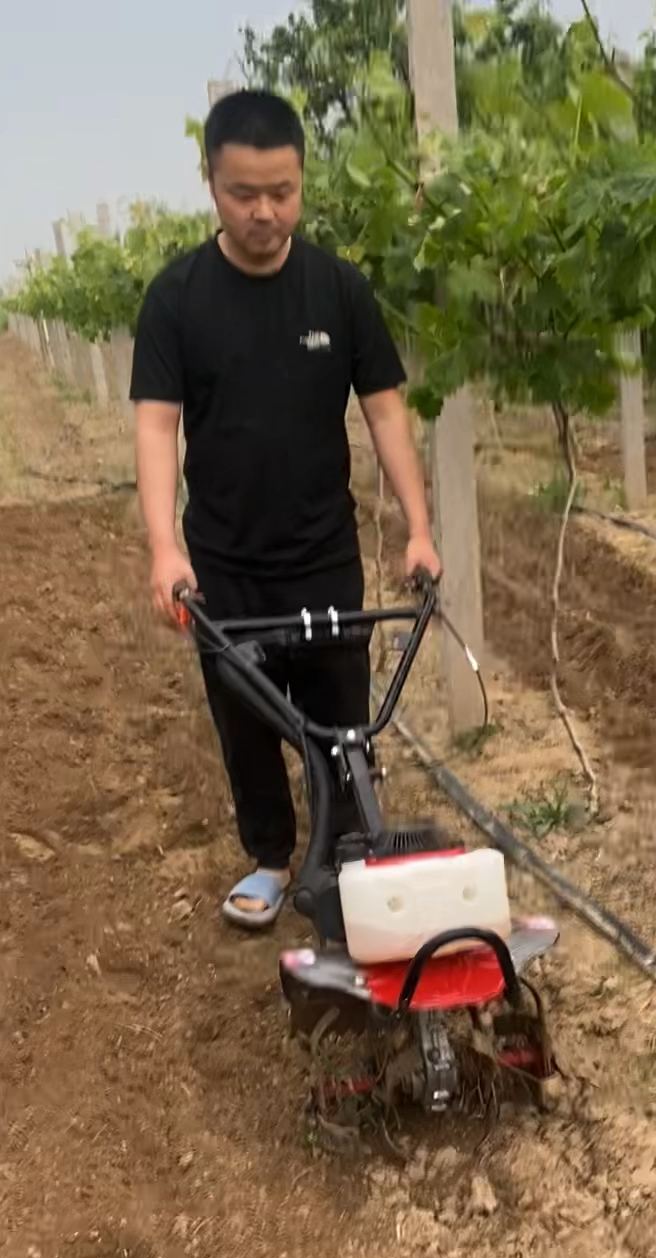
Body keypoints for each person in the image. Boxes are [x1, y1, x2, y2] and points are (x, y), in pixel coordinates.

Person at [130, 88, 440, 928]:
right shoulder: (178, 299)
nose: (265, 211)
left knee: (344, 720)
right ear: (210, 184)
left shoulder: (338, 290)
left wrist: (418, 527)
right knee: (245, 722)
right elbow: (157, 426)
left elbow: (383, 411)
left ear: (302, 182)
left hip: (323, 552)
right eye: (244, 194)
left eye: (282, 192)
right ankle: (269, 856)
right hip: (225, 562)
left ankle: (343, 852)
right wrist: (166, 548)